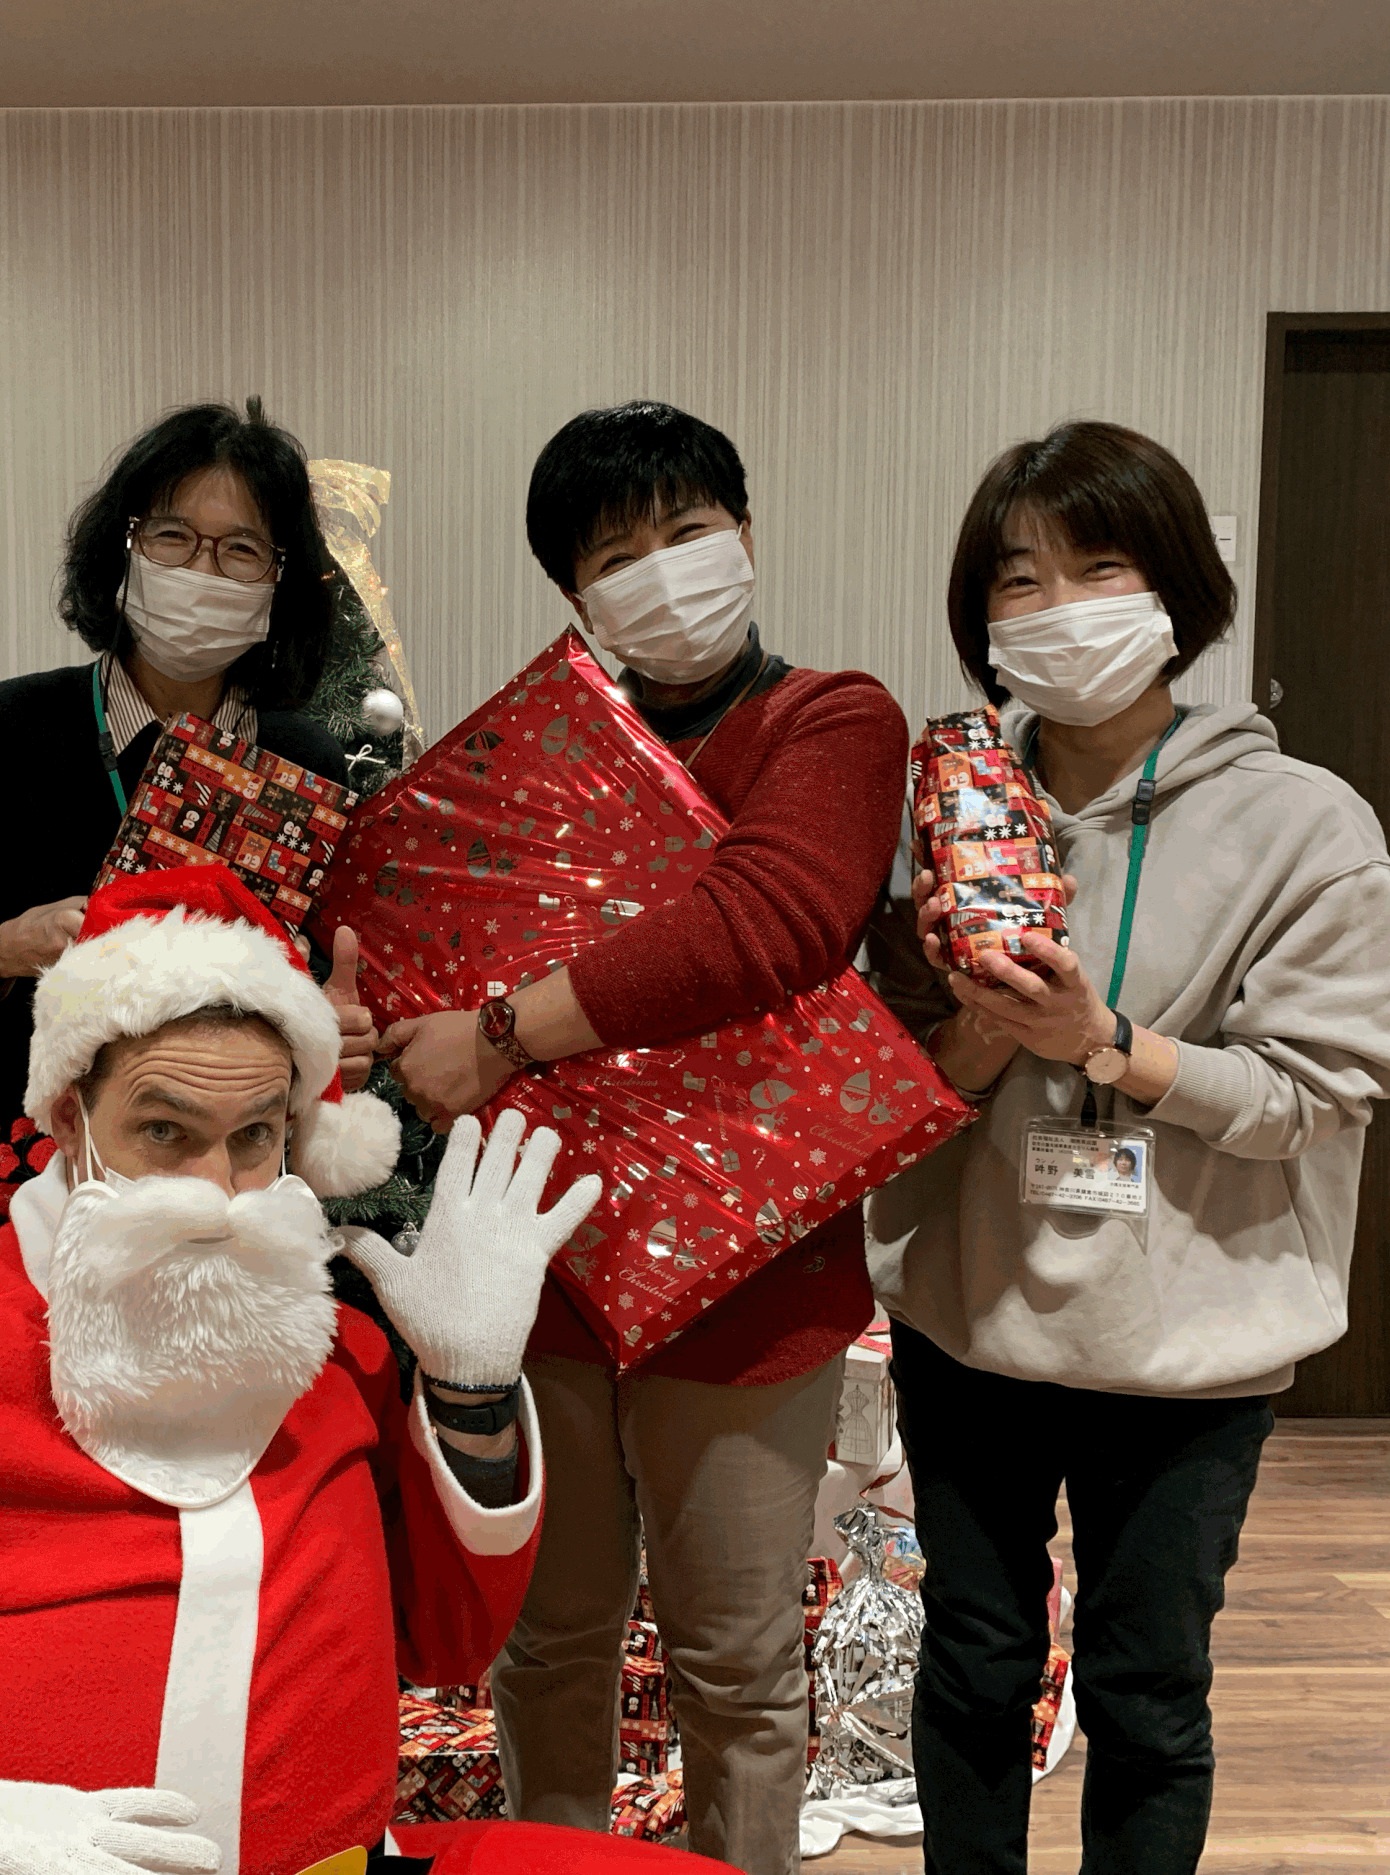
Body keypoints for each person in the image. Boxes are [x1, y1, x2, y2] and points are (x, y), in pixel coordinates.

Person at [0, 865, 697, 1875]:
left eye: (255, 1136)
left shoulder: (328, 1350)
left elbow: (444, 1644)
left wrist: (467, 1390)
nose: (215, 1191)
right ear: (70, 1119)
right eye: (164, 1131)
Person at [867, 419, 1390, 1874]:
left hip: (1191, 1341)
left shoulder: (1303, 825)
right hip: (970, 1311)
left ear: (1176, 587)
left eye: (1098, 568)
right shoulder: (947, 810)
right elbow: (886, 1078)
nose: (1058, 608)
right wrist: (988, 1035)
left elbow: (1324, 1086)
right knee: (973, 1659)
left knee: (1147, 1687)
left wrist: (1106, 1043)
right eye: (1019, 579)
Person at [381, 402, 911, 1875]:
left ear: (744, 531)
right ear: (573, 592)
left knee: (736, 1664)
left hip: (752, 1280)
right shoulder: (535, 758)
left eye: (688, 530)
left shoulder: (830, 721)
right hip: (541, 1264)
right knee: (547, 1642)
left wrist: (498, 1032)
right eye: (618, 555)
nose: (663, 572)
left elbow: (768, 924)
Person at [0, 400, 378, 1254]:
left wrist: (333, 1025)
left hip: (228, 1171)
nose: (204, 569)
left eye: (241, 549)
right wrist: (5, 945)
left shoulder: (305, 760)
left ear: (279, 582)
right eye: (173, 537)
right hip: (22, 1164)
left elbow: (325, 964)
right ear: (123, 550)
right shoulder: (9, 726)